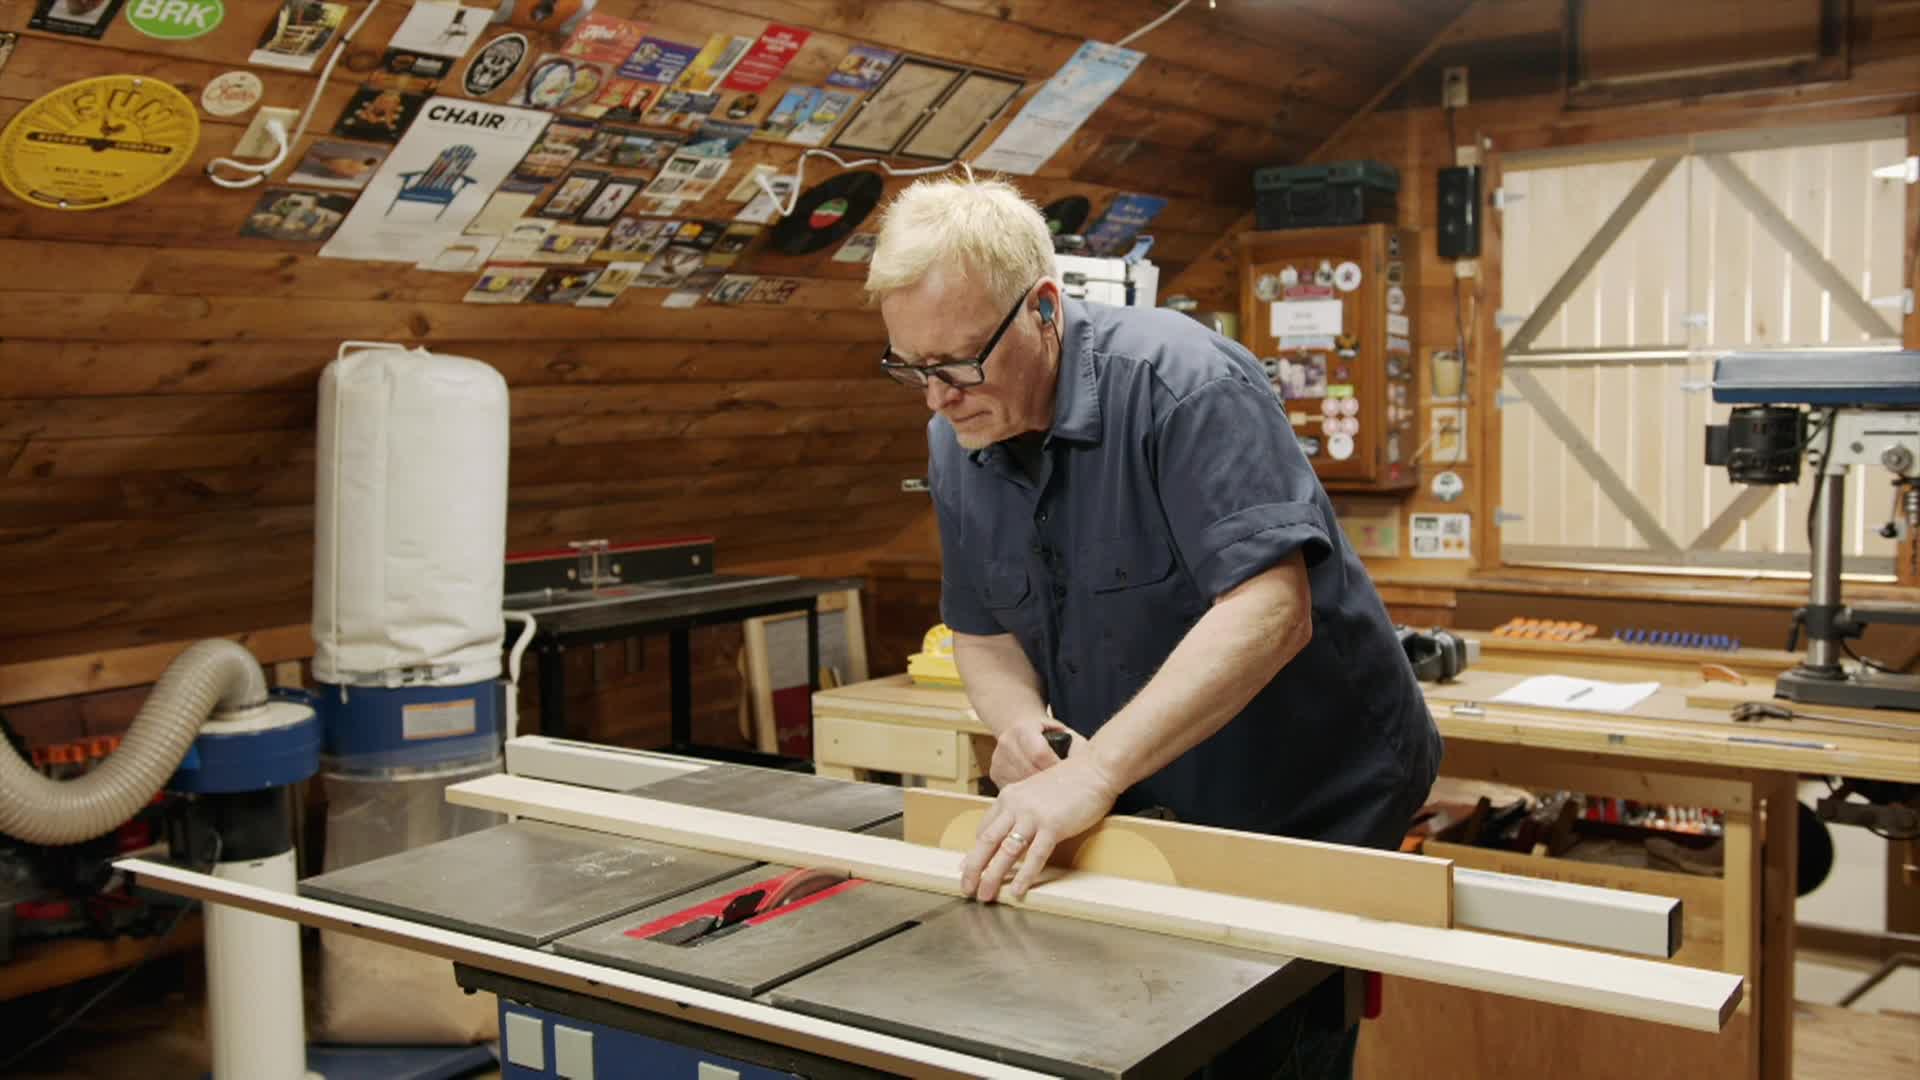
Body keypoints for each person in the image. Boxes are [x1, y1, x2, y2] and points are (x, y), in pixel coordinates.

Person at [864, 172, 1444, 1078]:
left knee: (1258, 1042)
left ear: (1044, 309)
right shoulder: (961, 430)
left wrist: (1092, 771)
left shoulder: (1184, 386)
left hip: (1304, 788)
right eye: (911, 367)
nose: (937, 397)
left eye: (959, 362)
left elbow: (1269, 610)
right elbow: (980, 632)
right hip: (1147, 783)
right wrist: (1019, 727)